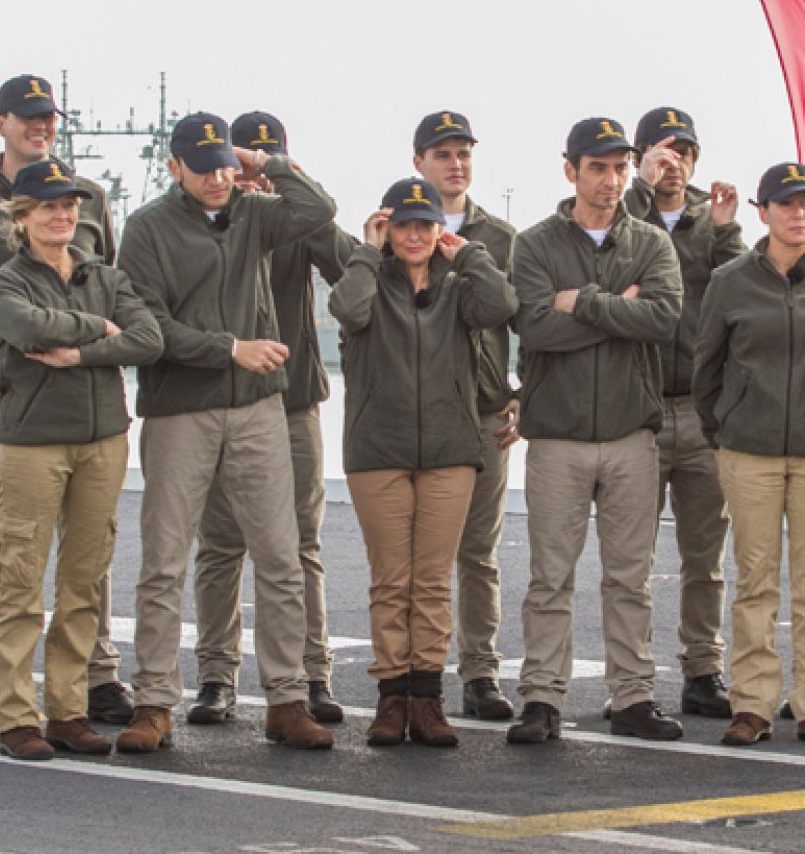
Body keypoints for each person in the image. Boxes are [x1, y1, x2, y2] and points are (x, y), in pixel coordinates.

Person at [115, 112, 338, 753]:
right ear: (174, 166)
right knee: (163, 562)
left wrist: (260, 162)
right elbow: (148, 326)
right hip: (181, 410)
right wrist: (229, 349)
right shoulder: (147, 229)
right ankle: (154, 702)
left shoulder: (253, 209)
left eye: (223, 163)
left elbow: (318, 208)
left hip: (260, 411)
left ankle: (288, 700)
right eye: (203, 164)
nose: (218, 176)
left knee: (280, 556)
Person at [0, 74, 131, 732]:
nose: (39, 126)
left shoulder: (90, 198)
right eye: (27, 117)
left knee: (87, 542)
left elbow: (107, 288)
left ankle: (97, 674)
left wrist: (91, 342)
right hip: (1, 390)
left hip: (81, 392)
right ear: (0, 123)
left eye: (47, 117)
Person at [505, 116, 684, 744]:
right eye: (598, 167)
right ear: (571, 170)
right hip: (556, 437)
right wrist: (619, 308)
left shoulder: (653, 245)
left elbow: (662, 319)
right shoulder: (533, 245)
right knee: (550, 577)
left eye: (619, 167)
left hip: (633, 436)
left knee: (629, 576)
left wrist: (580, 301)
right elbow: (533, 328)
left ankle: (633, 696)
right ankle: (541, 698)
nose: (611, 180)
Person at [0, 160, 163, 760]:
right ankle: (15, 718)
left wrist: (80, 352)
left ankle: (68, 709)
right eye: (49, 206)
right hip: (31, 444)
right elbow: (25, 328)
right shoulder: (2, 281)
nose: (63, 214)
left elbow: (148, 339)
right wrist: (97, 328)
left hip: (103, 440)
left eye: (69, 204)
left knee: (84, 581)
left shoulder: (105, 276)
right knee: (20, 583)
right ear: (22, 216)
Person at [329, 178, 518, 747]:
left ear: (441, 230)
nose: (414, 235)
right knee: (392, 581)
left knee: (432, 582)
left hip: (449, 451)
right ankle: (391, 698)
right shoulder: (368, 279)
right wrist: (367, 250)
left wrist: (472, 253)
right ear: (387, 228)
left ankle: (428, 696)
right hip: (378, 451)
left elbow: (502, 305)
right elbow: (347, 308)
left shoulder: (461, 287)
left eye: (425, 224)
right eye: (402, 224)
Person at [693, 162, 805, 747]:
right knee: (755, 582)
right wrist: (726, 430)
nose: (799, 215)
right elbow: (708, 369)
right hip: (749, 452)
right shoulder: (731, 281)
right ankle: (752, 704)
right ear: (762, 211)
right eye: (786, 204)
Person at [187, 112, 348, 727]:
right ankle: (214, 676)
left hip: (293, 401)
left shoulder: (295, 219)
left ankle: (313, 673)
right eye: (242, 161)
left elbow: (354, 266)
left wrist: (283, 178)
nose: (249, 174)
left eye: (262, 160)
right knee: (221, 544)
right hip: (223, 400)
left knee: (301, 545)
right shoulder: (214, 221)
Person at [626, 106, 745, 719]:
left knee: (706, 556)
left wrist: (724, 229)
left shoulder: (711, 220)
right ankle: (635, 679)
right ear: (641, 156)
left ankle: (704, 670)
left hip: (701, 412)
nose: (675, 164)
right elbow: (607, 249)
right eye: (662, 152)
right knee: (633, 557)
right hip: (638, 410)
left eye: (684, 153)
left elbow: (740, 291)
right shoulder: (623, 214)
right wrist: (639, 188)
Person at [411, 110, 520, 720]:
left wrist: (521, 394)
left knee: (479, 554)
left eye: (463, 153)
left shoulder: (501, 239)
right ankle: (409, 672)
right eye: (443, 153)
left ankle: (480, 672)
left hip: (482, 414)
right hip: (415, 418)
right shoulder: (397, 228)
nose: (456, 164)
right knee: (414, 558)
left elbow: (523, 324)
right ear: (419, 161)